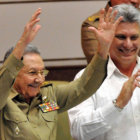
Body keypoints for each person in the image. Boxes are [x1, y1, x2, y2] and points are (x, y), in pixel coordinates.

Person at [0, 7, 120, 140]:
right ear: (14, 73)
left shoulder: (50, 96)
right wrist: (22, 44)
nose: (39, 79)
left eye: (42, 72)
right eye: (32, 73)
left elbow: (83, 87)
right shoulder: (3, 101)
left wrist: (103, 48)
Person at [68, 4, 140, 140]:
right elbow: (78, 131)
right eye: (121, 37)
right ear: (108, 37)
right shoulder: (87, 77)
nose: (128, 44)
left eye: (134, 37)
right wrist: (118, 104)